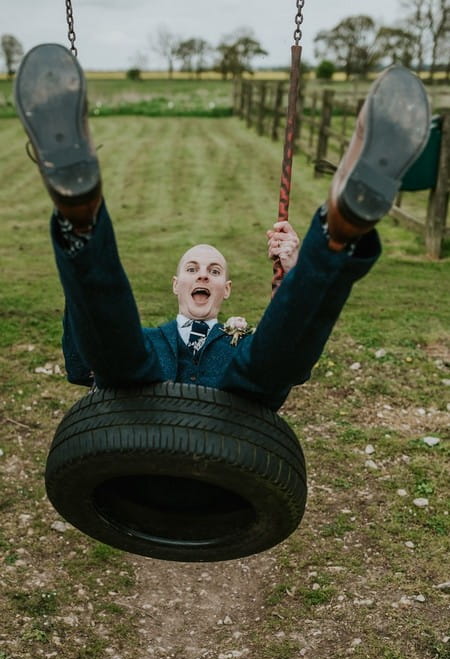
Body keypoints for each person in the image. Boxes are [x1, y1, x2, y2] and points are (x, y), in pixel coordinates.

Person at [14, 44, 431, 411]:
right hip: (133, 444)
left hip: (232, 463)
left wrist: (293, 273)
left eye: (214, 271)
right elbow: (82, 360)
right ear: (175, 284)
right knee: (115, 354)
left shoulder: (243, 349)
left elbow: (292, 358)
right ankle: (79, 210)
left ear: (226, 290)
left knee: (272, 363)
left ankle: (341, 229)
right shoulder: (146, 344)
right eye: (193, 268)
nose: (202, 274)